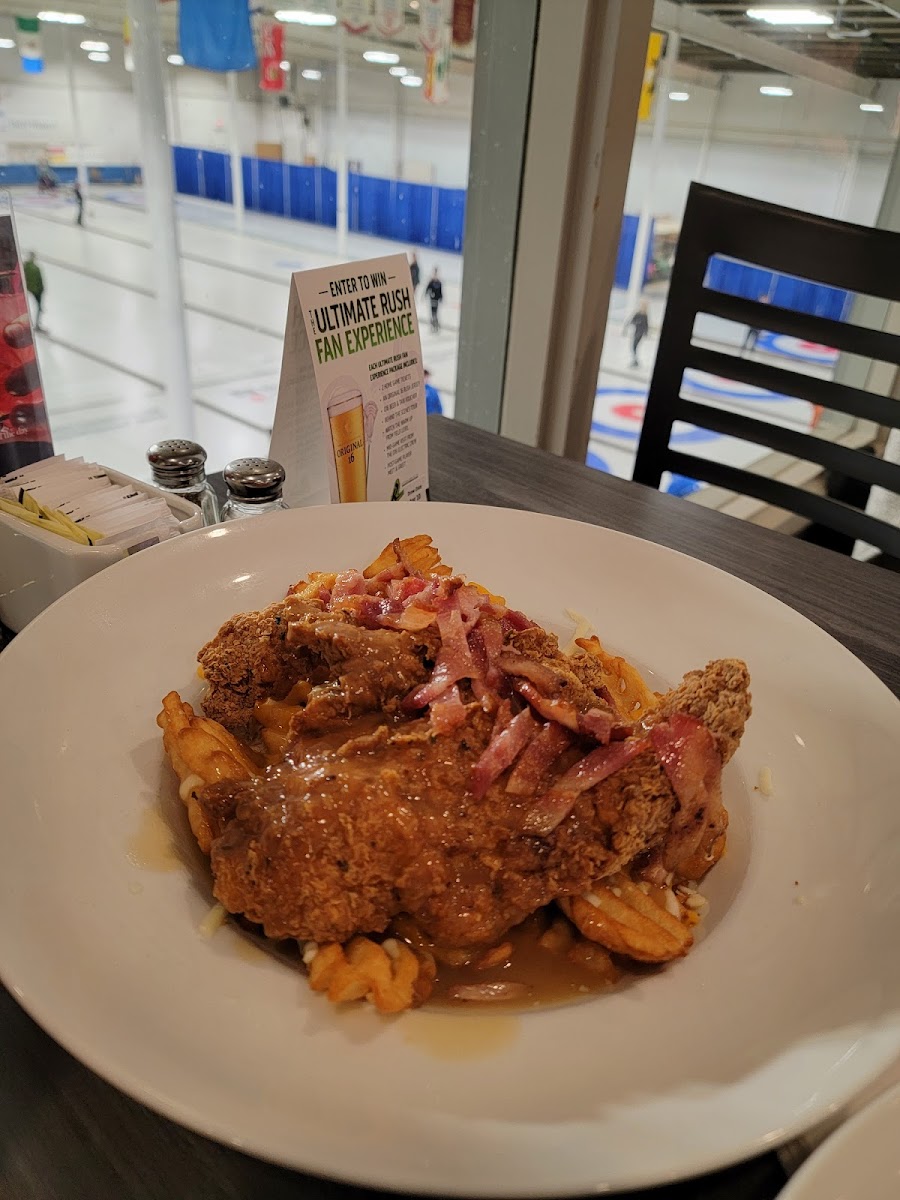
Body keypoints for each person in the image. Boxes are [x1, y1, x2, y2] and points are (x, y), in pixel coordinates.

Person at [23, 253, 45, 333]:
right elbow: (40, 281)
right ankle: (37, 325)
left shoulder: (25, 266)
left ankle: (25, 324)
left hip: (28, 289)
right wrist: (42, 290)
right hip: (37, 290)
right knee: (39, 307)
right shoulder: (36, 268)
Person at [624, 301, 650, 368]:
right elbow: (632, 320)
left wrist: (646, 333)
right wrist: (634, 323)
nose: (642, 307)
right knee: (633, 347)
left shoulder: (645, 315)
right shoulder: (638, 313)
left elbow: (646, 325)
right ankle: (635, 361)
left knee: (634, 347)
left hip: (640, 333)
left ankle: (635, 361)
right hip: (636, 332)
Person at [424, 267, 443, 332]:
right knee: (432, 313)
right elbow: (427, 289)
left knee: (436, 313)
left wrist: (441, 298)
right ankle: (432, 326)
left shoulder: (439, 282)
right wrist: (426, 295)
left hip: (436, 300)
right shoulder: (431, 282)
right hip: (432, 299)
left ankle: (436, 326)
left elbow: (440, 292)